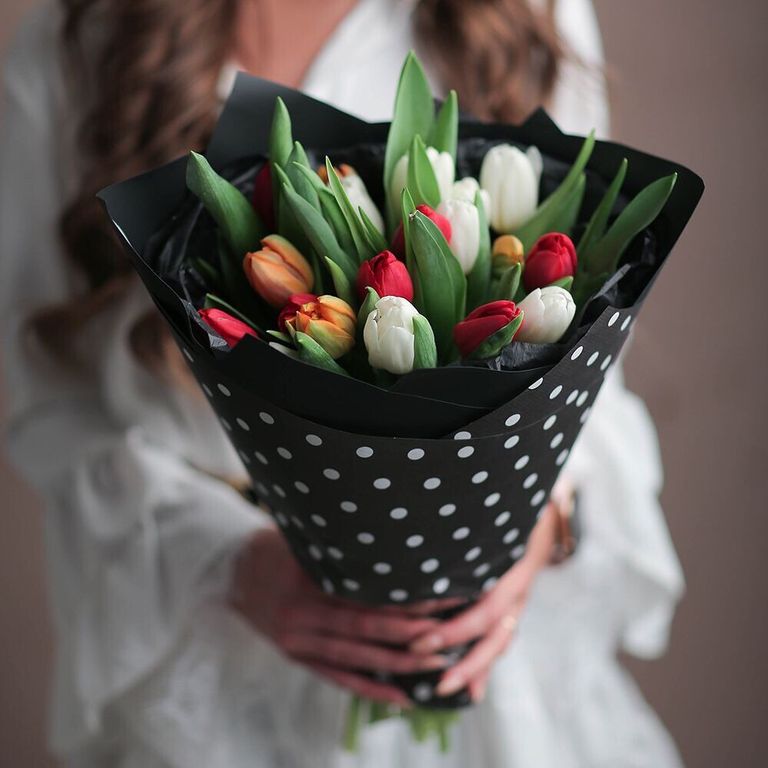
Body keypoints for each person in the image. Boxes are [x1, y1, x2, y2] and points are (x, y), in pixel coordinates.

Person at [0, 0, 685, 765]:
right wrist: (225, 565)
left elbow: (592, 370)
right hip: (227, 667)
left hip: (494, 666)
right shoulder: (78, 43)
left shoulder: (524, 12)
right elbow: (55, 409)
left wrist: (539, 524)